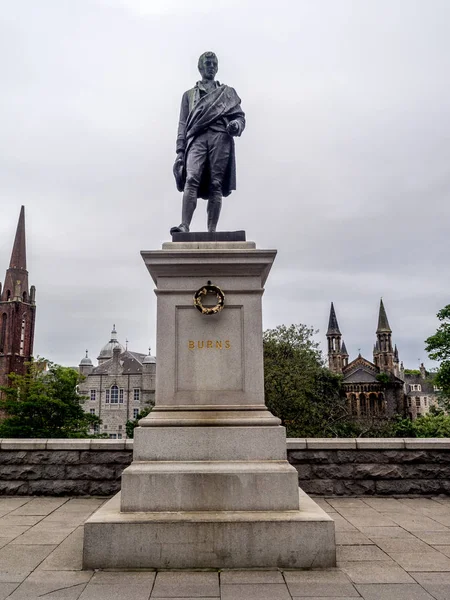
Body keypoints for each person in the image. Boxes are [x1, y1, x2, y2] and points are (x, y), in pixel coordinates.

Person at [171, 52, 245, 234]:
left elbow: (239, 117)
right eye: (207, 63)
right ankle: (184, 225)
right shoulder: (188, 95)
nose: (211, 66)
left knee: (216, 183)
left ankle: (212, 231)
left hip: (221, 136)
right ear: (200, 67)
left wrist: (236, 124)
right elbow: (182, 123)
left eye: (214, 63)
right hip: (196, 137)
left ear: (217, 67)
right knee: (191, 178)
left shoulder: (228, 94)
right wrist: (180, 151)